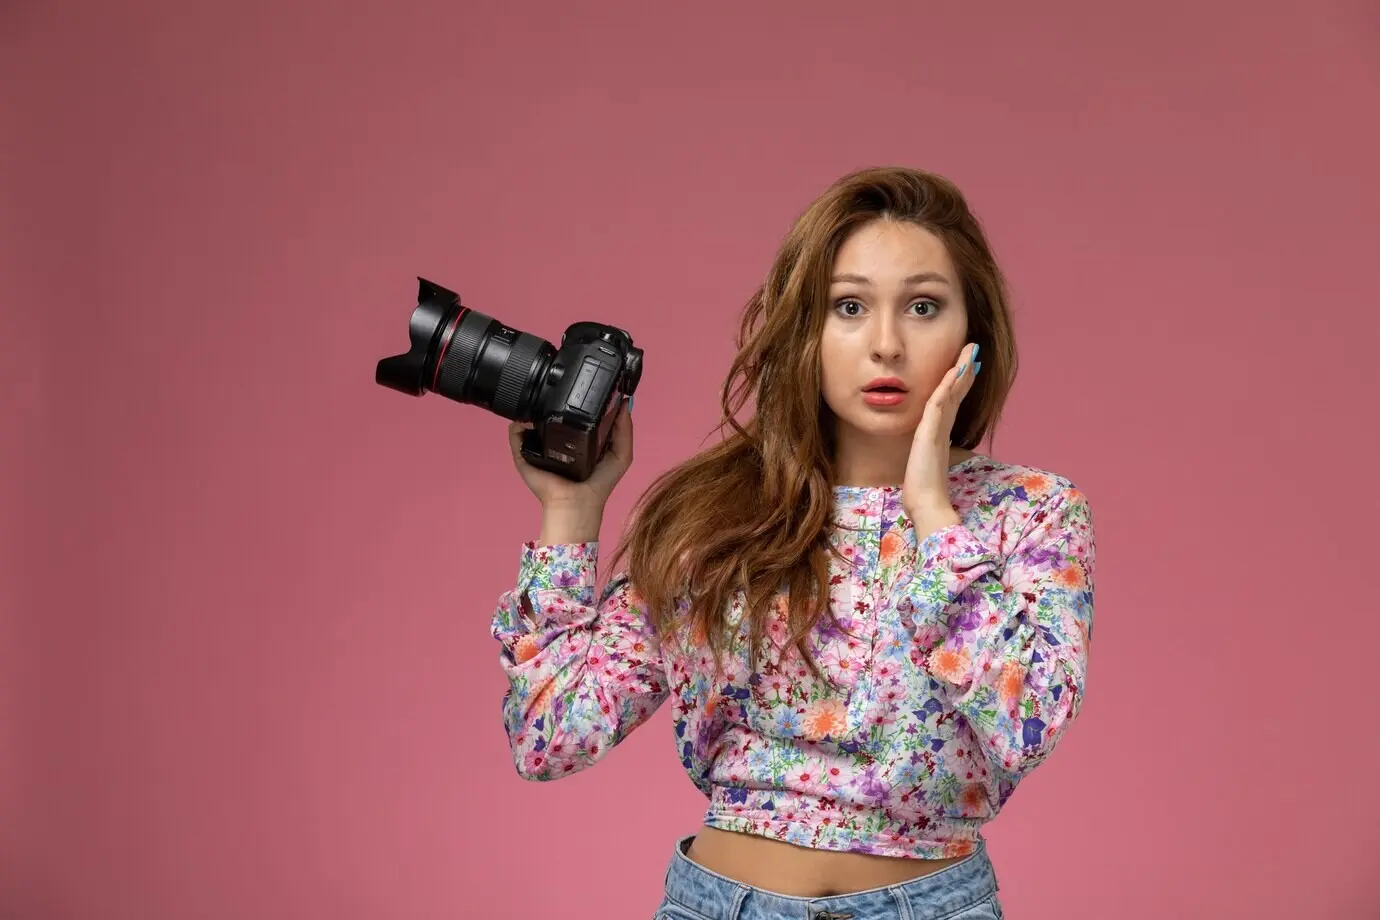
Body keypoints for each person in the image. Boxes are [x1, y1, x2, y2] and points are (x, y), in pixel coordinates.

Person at [489, 166, 1096, 919]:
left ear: (973, 333)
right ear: (804, 331)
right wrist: (571, 513)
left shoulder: (1028, 512)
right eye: (848, 306)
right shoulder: (717, 516)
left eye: (923, 306)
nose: (886, 344)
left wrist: (932, 511)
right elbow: (549, 739)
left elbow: (1025, 727)